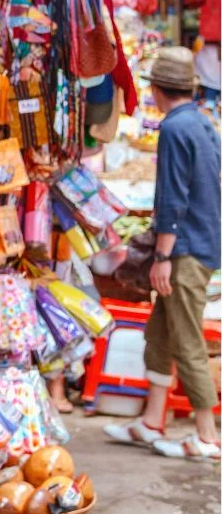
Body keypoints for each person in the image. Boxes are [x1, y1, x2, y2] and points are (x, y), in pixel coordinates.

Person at [104, 46, 222, 460]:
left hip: (185, 251)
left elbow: (172, 199)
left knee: (186, 341)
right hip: (202, 244)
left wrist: (163, 257)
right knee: (160, 334)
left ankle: (206, 435)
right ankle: (152, 420)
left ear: (155, 90)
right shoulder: (203, 122)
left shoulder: (174, 128)